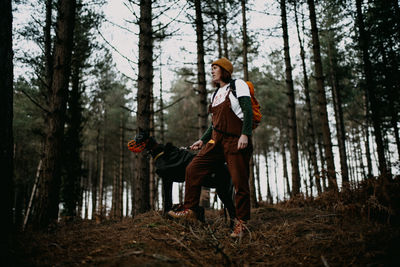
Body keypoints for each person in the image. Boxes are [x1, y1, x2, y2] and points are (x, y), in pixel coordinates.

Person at [168, 57, 253, 238]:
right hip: (216, 141)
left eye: (215, 68)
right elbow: (214, 125)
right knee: (193, 168)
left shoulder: (238, 85)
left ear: (225, 70)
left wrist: (245, 134)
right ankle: (191, 210)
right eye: (211, 68)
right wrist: (202, 140)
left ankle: (242, 224)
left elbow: (248, 111)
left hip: (236, 140)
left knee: (240, 182)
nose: (212, 71)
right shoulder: (215, 94)